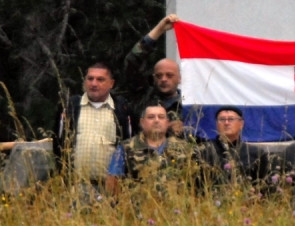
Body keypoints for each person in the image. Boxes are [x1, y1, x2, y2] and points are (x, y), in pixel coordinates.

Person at [53, 61, 134, 197]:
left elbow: (129, 145)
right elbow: (58, 145)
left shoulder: (122, 110)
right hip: (75, 187)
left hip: (112, 189)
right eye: (90, 79)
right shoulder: (70, 107)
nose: (94, 84)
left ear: (111, 84)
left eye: (100, 80)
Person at [105, 103, 194, 198]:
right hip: (138, 209)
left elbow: (195, 182)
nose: (156, 120)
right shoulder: (126, 148)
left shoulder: (183, 148)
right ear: (142, 122)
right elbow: (112, 184)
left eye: (161, 117)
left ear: (167, 123)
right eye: (151, 117)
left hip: (175, 209)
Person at [123, 14, 188, 137]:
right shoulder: (143, 97)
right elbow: (132, 61)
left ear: (179, 78)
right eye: (159, 76)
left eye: (169, 75)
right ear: (153, 78)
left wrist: (186, 128)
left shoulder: (189, 106)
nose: (163, 79)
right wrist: (160, 29)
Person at [194, 106, 273, 189]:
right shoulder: (202, 152)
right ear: (217, 124)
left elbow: (265, 187)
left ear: (241, 124)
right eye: (222, 119)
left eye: (231, 119)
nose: (226, 123)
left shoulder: (257, 154)